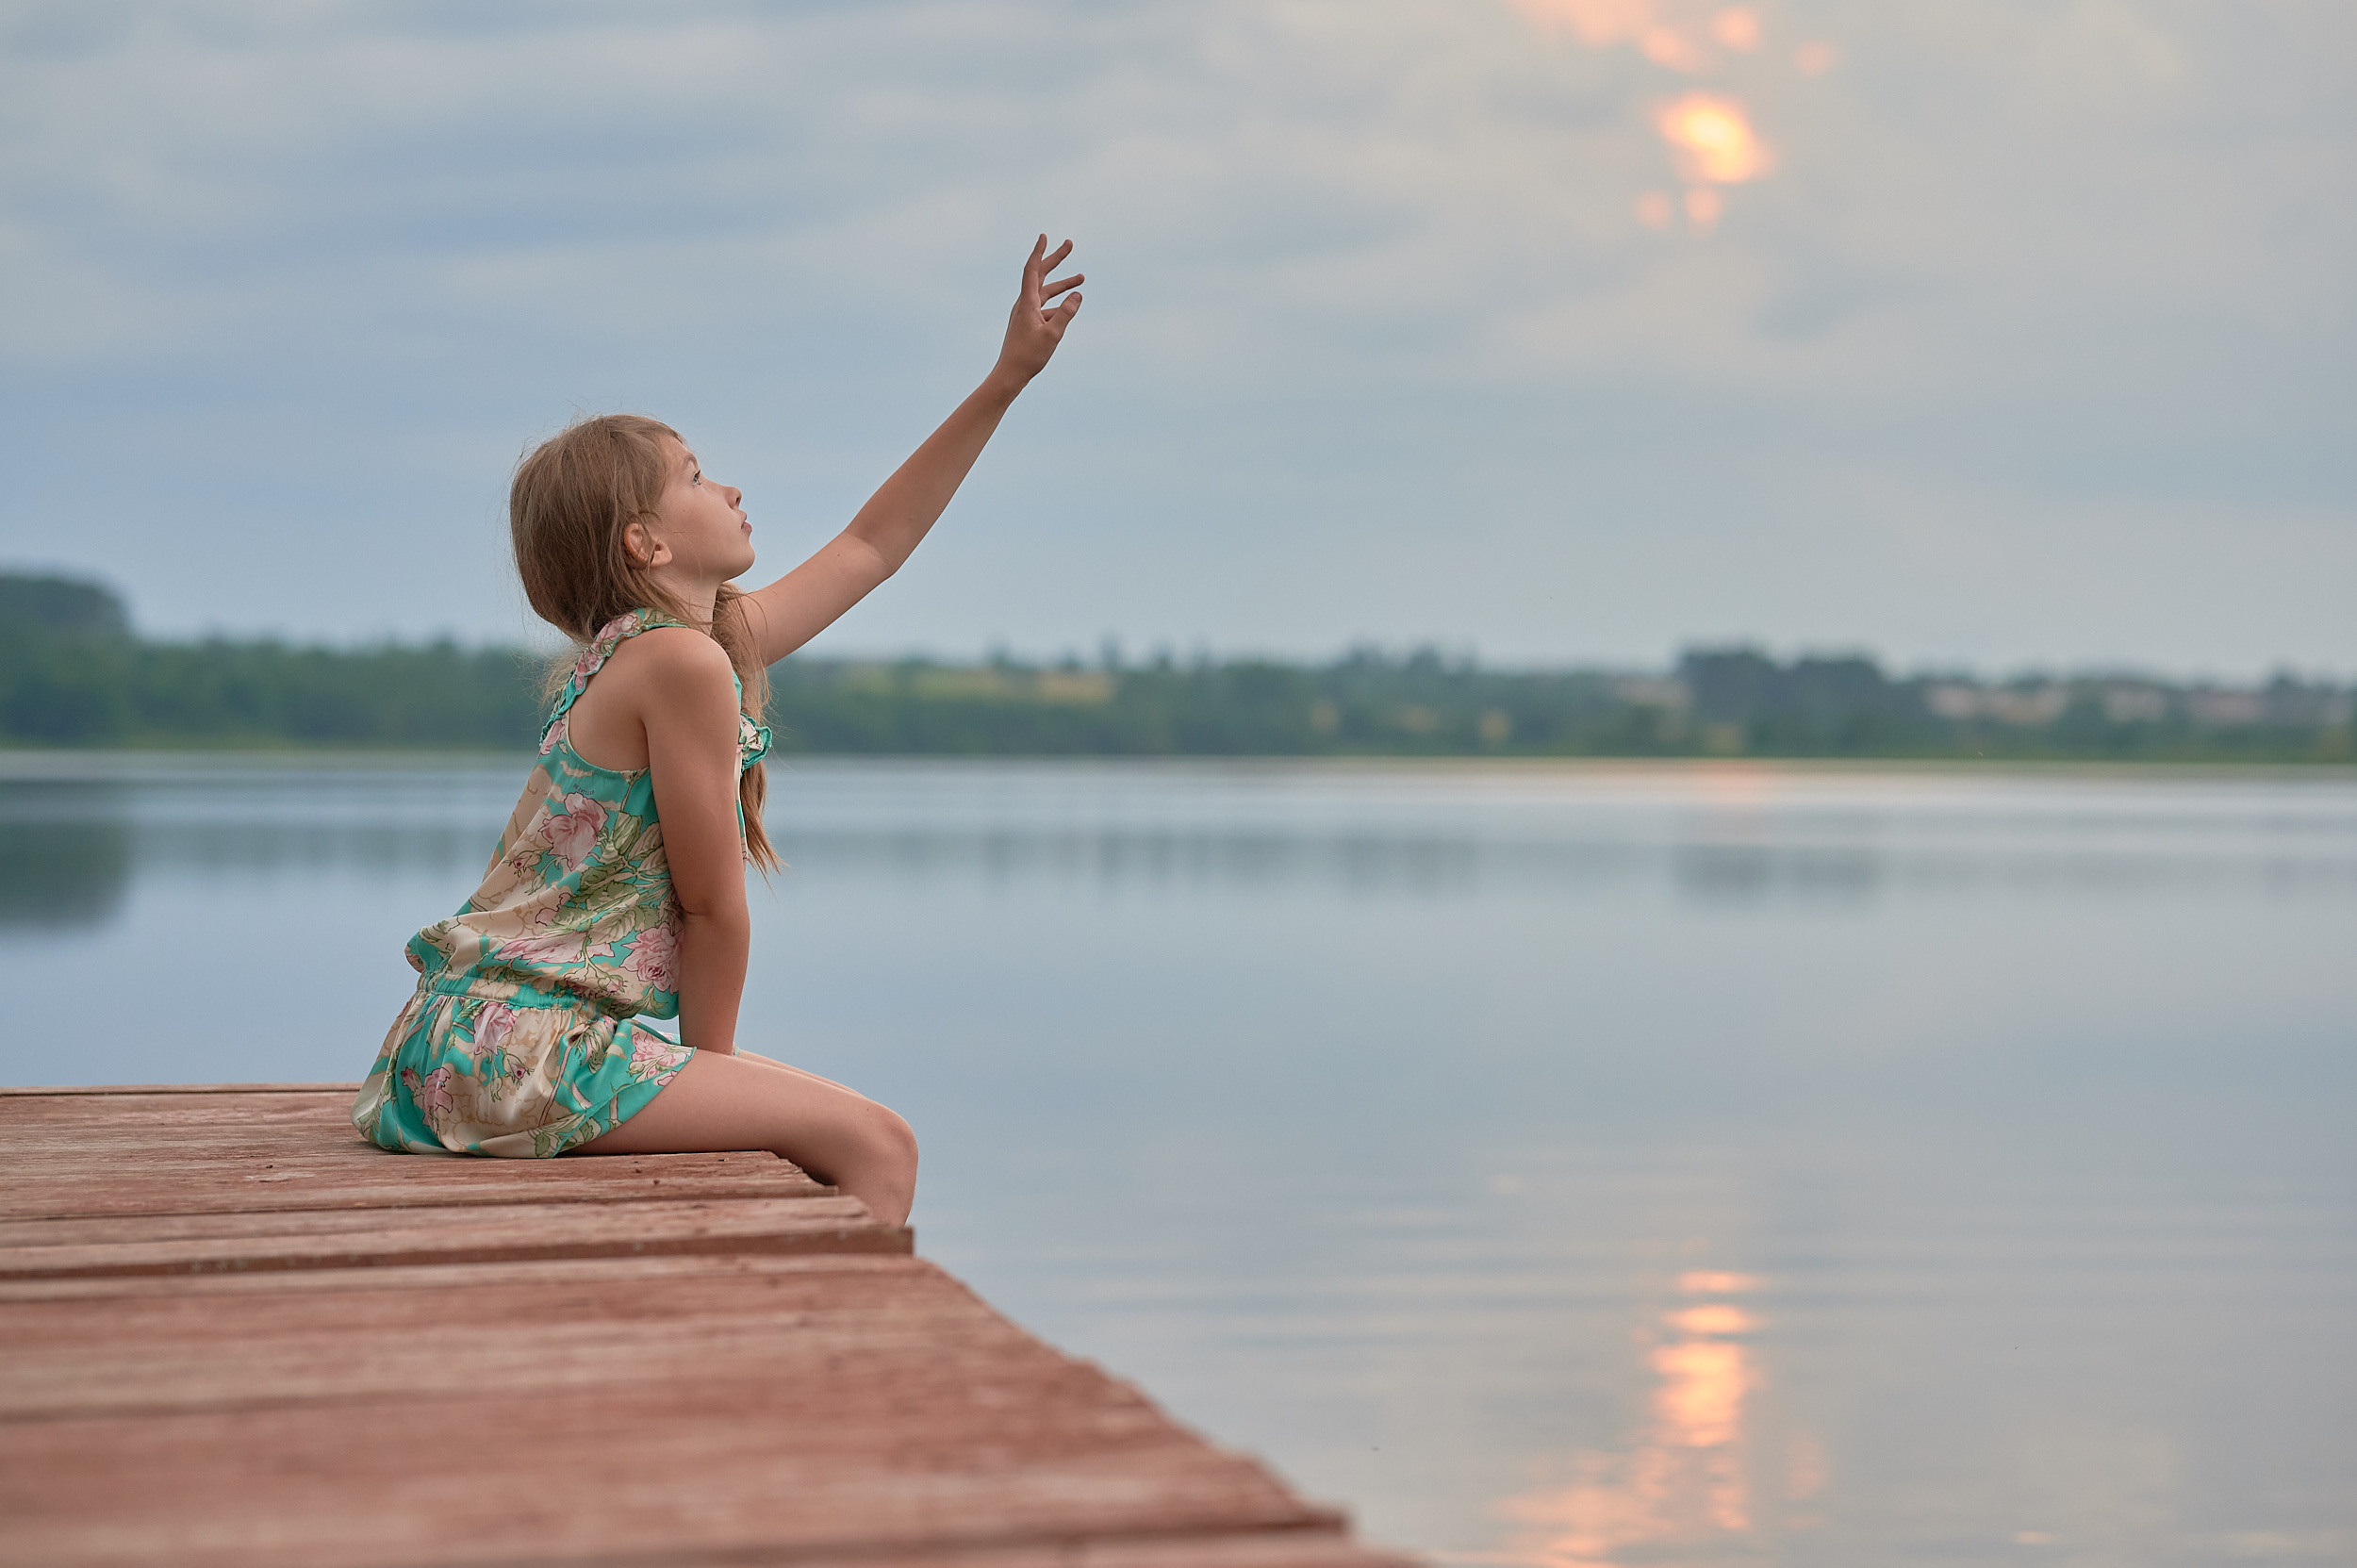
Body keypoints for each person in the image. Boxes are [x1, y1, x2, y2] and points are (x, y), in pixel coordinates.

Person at [351, 238, 1085, 1227]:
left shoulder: (676, 648)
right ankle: (815, 1361)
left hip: (469, 1039)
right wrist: (714, 1083)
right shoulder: (680, 664)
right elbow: (709, 909)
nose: (730, 490)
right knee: (878, 1143)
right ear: (645, 542)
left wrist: (1005, 380)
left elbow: (873, 546)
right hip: (518, 1047)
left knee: (849, 1128)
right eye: (698, 476)